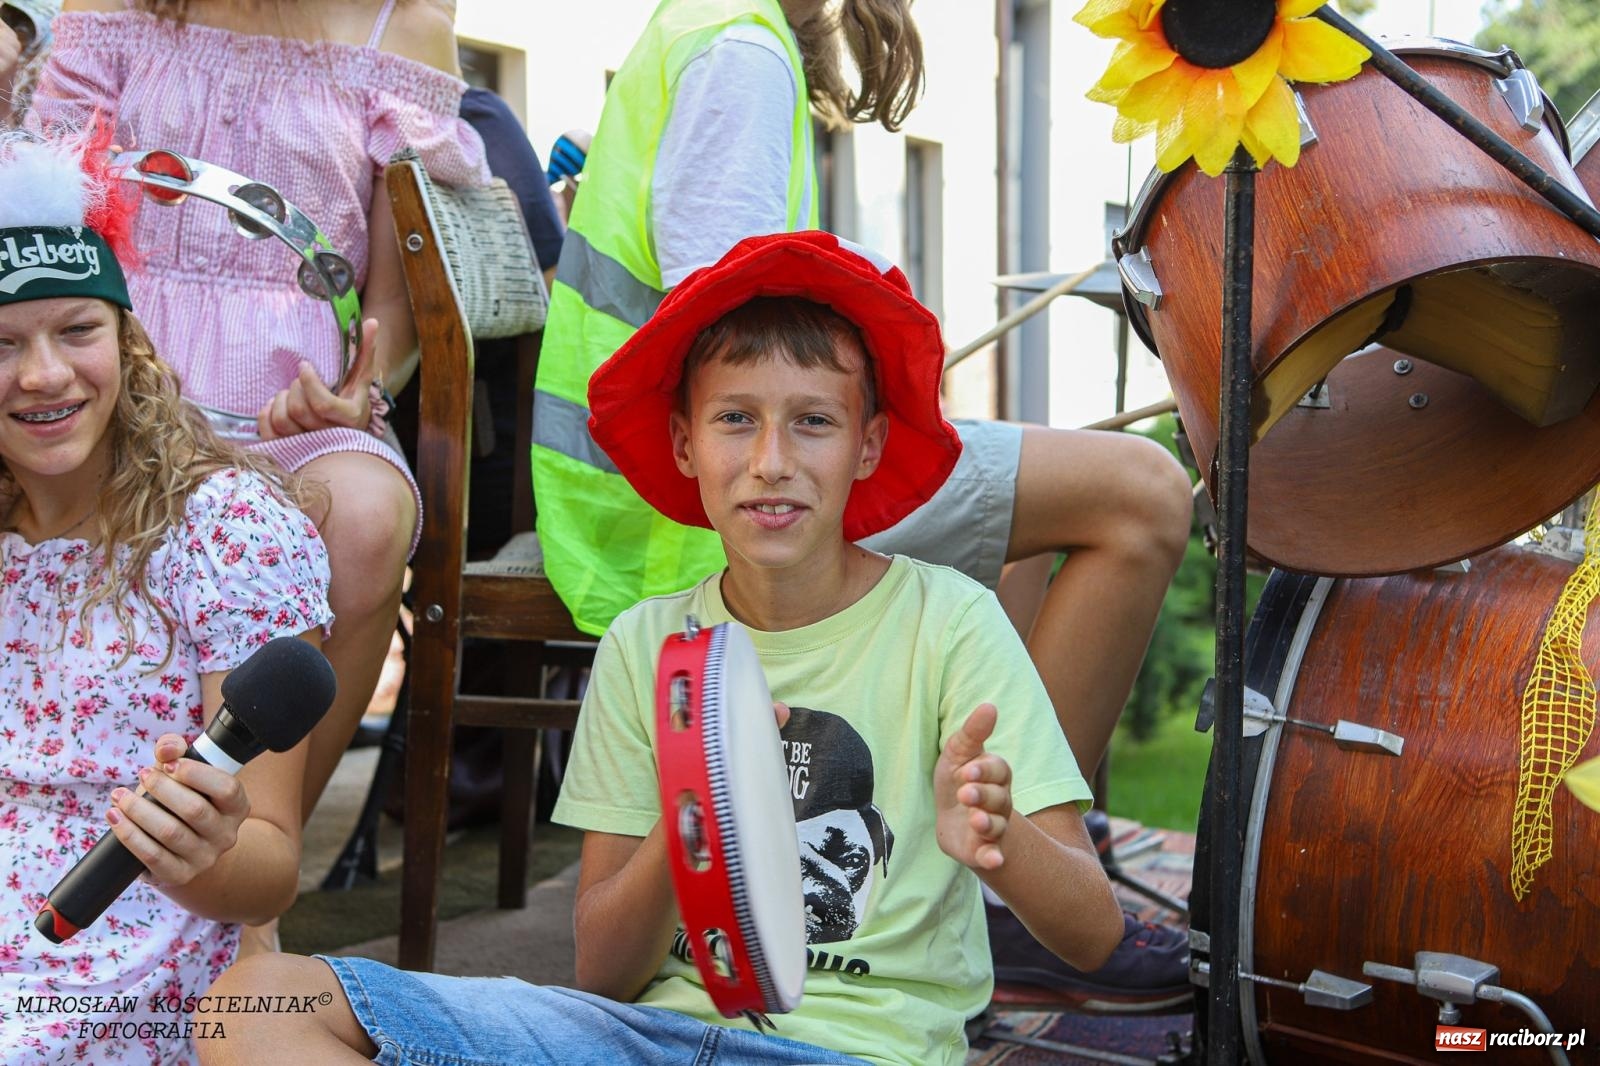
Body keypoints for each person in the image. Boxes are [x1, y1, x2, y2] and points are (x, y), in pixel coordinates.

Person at [198, 230, 1124, 1066]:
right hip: (643, 1039)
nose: (771, 460)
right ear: (684, 444)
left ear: (869, 445)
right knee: (248, 1006)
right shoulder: (649, 644)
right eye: (734, 420)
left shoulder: (950, 622)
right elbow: (602, 969)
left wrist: (1002, 844)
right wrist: (703, 816)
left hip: (856, 1052)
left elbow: (1093, 934)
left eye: (813, 421)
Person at [530, 0, 1193, 996]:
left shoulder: (703, 26)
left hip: (628, 493)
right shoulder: (743, 50)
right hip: (665, 526)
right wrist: (813, 412)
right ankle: (1003, 890)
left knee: (1016, 536)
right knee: (1140, 487)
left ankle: (998, 844)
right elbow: (737, 303)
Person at [29, 0, 491, 933]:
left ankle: (242, 874)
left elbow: (396, 310)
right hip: (112, 376)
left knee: (366, 516)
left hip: (293, 409)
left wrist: (358, 386)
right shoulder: (111, 8)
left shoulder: (404, 25)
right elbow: (54, 213)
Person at [0, 126, 332, 1064]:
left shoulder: (222, 533)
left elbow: (268, 870)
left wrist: (206, 850)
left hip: (124, 955)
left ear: (127, 339)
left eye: (76, 330)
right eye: (3, 343)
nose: (43, 375)